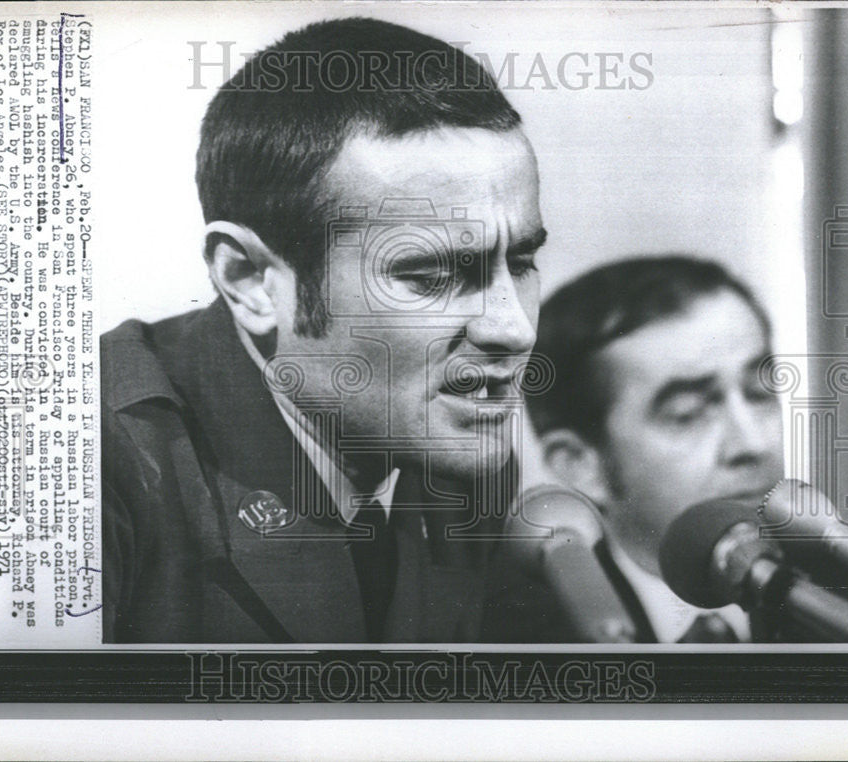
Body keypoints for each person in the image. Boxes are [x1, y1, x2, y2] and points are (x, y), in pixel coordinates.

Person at [100, 18, 547, 643]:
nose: (513, 328)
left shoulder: (465, 456)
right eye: (431, 274)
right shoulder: (95, 465)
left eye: (521, 262)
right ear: (251, 281)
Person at [517, 255, 785, 642]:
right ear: (580, 465)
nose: (753, 444)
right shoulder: (518, 646)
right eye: (687, 413)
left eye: (760, 394)